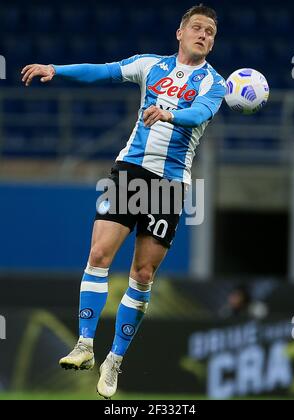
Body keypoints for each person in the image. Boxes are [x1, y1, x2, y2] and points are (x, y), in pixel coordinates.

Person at [21, 4, 226, 399]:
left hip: (169, 183)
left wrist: (167, 113)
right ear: (180, 32)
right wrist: (56, 70)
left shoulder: (214, 84)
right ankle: (84, 345)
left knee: (143, 274)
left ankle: (114, 360)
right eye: (198, 28)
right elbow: (103, 70)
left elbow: (198, 113)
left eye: (211, 32)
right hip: (131, 169)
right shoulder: (150, 65)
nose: (204, 35)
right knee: (99, 254)